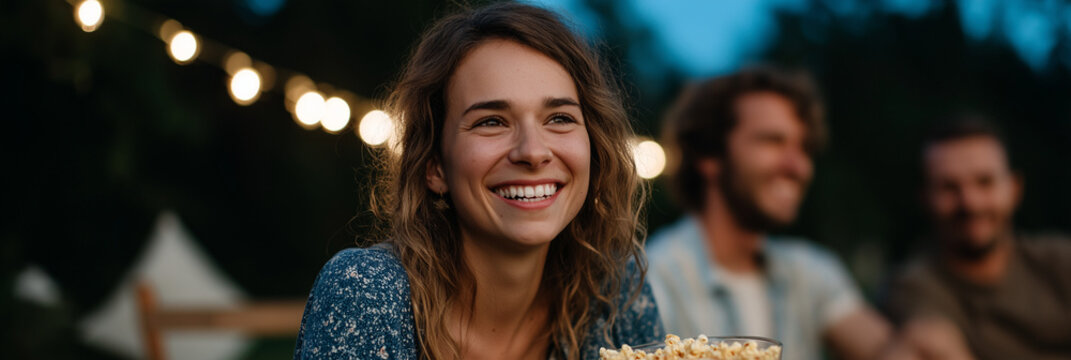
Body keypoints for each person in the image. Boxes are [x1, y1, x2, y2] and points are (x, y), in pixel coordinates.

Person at [292, 3, 662, 360]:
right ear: (434, 166)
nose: (533, 152)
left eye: (560, 118)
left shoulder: (613, 291)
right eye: (491, 122)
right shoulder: (366, 293)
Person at [646, 68, 893, 360]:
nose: (798, 167)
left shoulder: (809, 272)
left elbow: (891, 352)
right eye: (772, 141)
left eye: (804, 148)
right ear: (709, 156)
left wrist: (924, 331)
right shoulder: (651, 281)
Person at [884, 118, 1071, 360]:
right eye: (949, 187)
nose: (970, 202)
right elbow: (928, 342)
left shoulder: (1060, 262)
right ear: (925, 198)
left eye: (985, 182)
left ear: (1014, 188)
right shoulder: (912, 287)